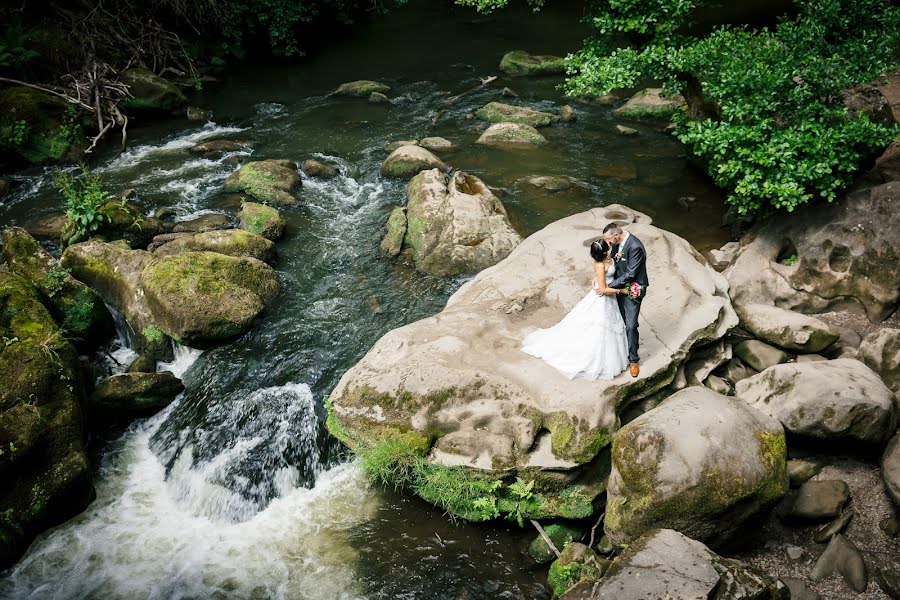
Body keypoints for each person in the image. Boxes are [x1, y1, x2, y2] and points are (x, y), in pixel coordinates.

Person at [521, 240, 629, 381]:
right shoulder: (599, 265)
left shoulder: (606, 259)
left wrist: (595, 279)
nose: (609, 250)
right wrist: (622, 290)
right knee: (601, 326)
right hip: (604, 298)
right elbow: (603, 289)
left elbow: (601, 277)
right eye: (607, 249)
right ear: (603, 253)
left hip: (607, 293)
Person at [601, 223, 649, 377]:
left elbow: (631, 274)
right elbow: (614, 262)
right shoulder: (616, 242)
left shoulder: (635, 246)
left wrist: (609, 286)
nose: (608, 243)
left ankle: (634, 360)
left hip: (631, 289)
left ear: (616, 234)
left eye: (609, 239)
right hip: (618, 286)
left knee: (631, 325)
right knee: (617, 321)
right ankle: (620, 353)